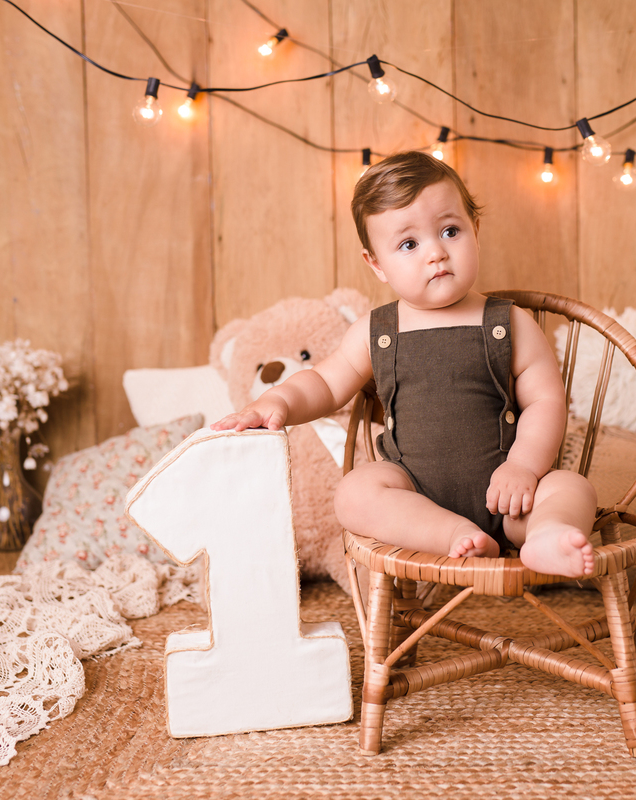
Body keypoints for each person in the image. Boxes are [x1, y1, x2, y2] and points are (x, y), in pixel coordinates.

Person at [211, 151, 597, 578]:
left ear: (476, 230)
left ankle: (546, 534)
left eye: (450, 231)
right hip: (416, 497)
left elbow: (546, 399)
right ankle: (453, 534)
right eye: (409, 244)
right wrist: (278, 399)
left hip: (510, 497)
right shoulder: (376, 330)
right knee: (354, 494)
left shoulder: (508, 323)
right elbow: (323, 382)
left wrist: (524, 466)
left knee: (570, 488)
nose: (436, 253)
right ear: (376, 263)